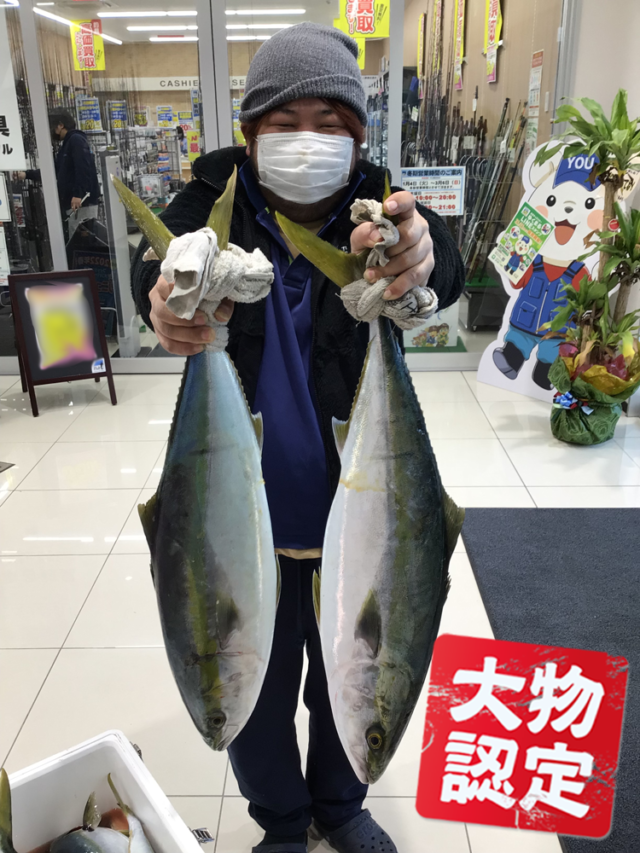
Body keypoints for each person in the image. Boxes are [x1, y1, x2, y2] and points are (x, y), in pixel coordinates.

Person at [131, 23, 465, 853]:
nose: (308, 140)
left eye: (330, 123)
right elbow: (155, 274)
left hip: (359, 522)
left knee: (350, 676)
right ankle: (282, 821)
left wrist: (417, 260)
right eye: (285, 122)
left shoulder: (381, 207)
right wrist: (171, 297)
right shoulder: (208, 203)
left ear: (357, 137)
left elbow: (445, 259)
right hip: (242, 523)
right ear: (251, 133)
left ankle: (340, 806)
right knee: (257, 689)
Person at [18, 110, 100, 239]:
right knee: (76, 240)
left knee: (81, 241)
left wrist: (78, 194)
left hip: (81, 204)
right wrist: (27, 175)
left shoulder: (76, 140)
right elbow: (54, 171)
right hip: (74, 204)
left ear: (60, 125)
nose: (50, 131)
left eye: (52, 126)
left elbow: (83, 168)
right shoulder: (68, 144)